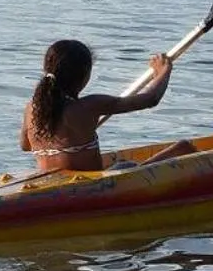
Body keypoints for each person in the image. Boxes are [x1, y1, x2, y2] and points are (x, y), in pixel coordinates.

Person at [20, 38, 196, 172]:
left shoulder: (32, 108)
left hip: (55, 183)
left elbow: (26, 146)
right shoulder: (90, 106)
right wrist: (163, 70)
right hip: (88, 186)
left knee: (120, 163)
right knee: (183, 147)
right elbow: (150, 99)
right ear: (84, 76)